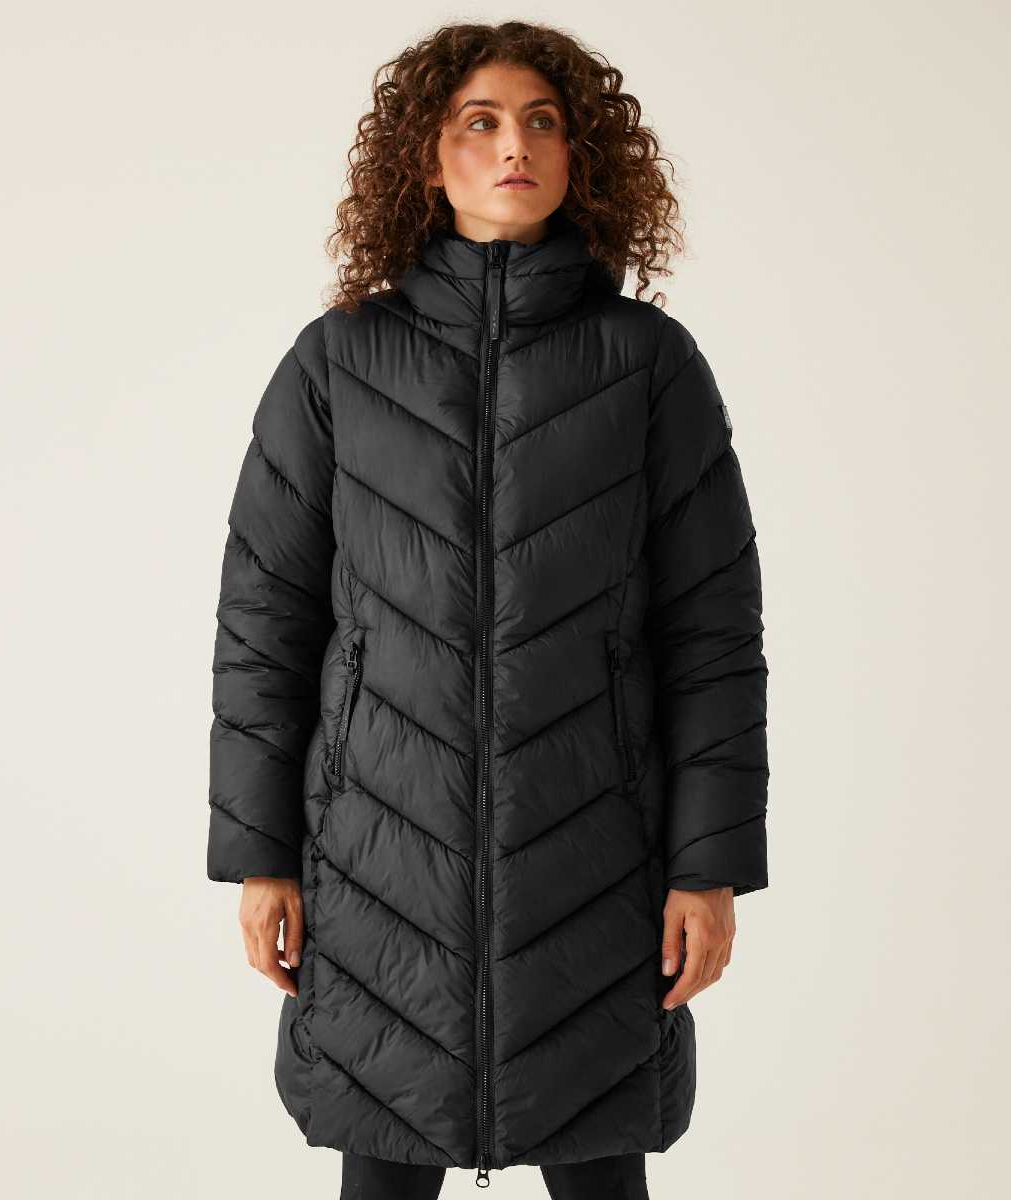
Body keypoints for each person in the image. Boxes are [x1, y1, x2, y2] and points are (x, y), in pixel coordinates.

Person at [206, 20, 769, 1199]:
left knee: (603, 1171)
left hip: (597, 856)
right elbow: (266, 625)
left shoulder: (649, 364)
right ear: (427, 155)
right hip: (376, 860)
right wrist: (260, 856)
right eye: (480, 122)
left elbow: (711, 635)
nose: (515, 146)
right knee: (380, 1171)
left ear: (579, 155)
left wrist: (709, 868)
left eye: (542, 123)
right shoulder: (337, 363)